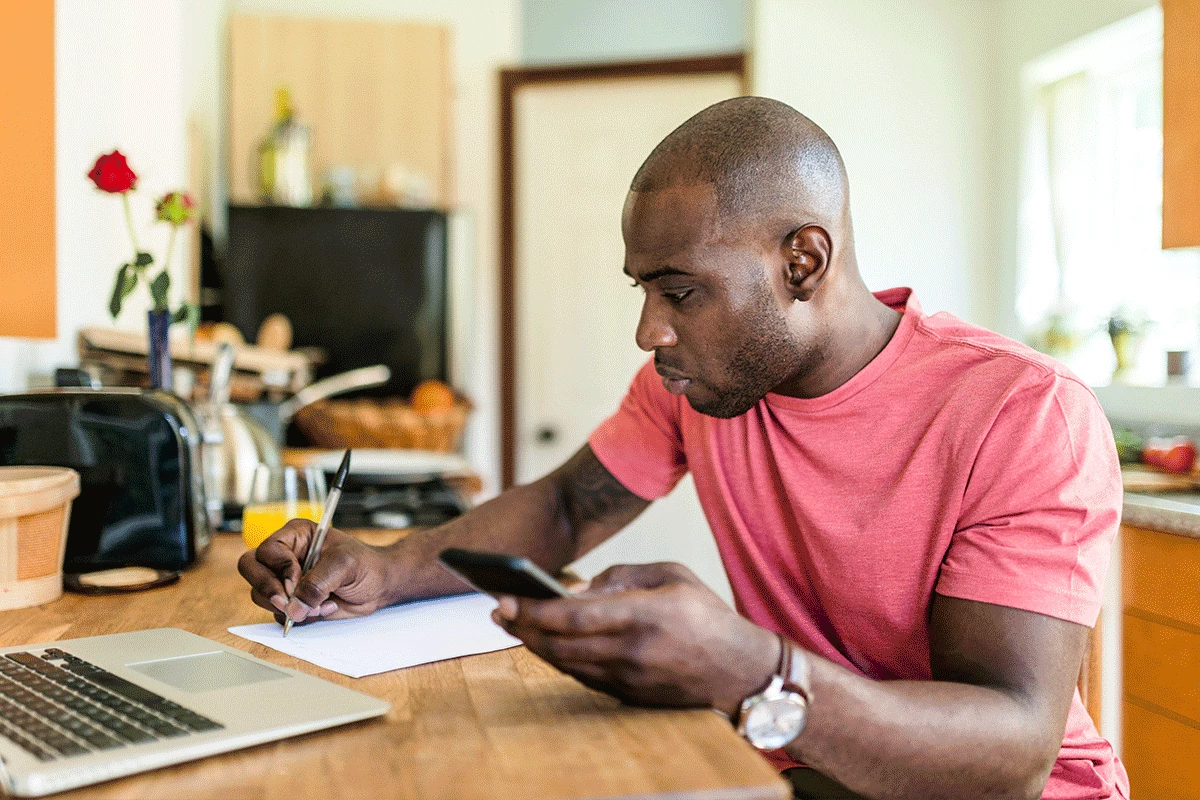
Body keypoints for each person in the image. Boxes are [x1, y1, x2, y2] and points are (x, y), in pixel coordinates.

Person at [239, 97, 1127, 800]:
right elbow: (566, 507)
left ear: (804, 262)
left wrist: (748, 668)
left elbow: (1011, 753)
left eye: (680, 292)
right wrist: (386, 570)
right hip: (805, 768)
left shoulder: (1021, 412)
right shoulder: (703, 380)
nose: (649, 331)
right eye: (643, 290)